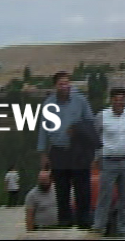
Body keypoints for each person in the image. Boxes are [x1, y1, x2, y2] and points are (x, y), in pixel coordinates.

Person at [37, 71, 98, 229]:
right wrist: (43, 153)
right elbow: (43, 130)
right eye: (61, 84)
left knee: (82, 188)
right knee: (61, 189)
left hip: (78, 150)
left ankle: (84, 220)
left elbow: (91, 123)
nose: (65, 87)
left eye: (67, 83)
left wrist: (79, 131)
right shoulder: (48, 104)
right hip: (58, 151)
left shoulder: (80, 100)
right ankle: (65, 221)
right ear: (55, 86)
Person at [93, 87, 125, 237]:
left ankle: (123, 231)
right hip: (109, 162)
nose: (119, 103)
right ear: (111, 100)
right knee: (105, 197)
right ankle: (99, 227)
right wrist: (96, 157)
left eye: (122, 100)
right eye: (116, 100)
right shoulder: (102, 116)